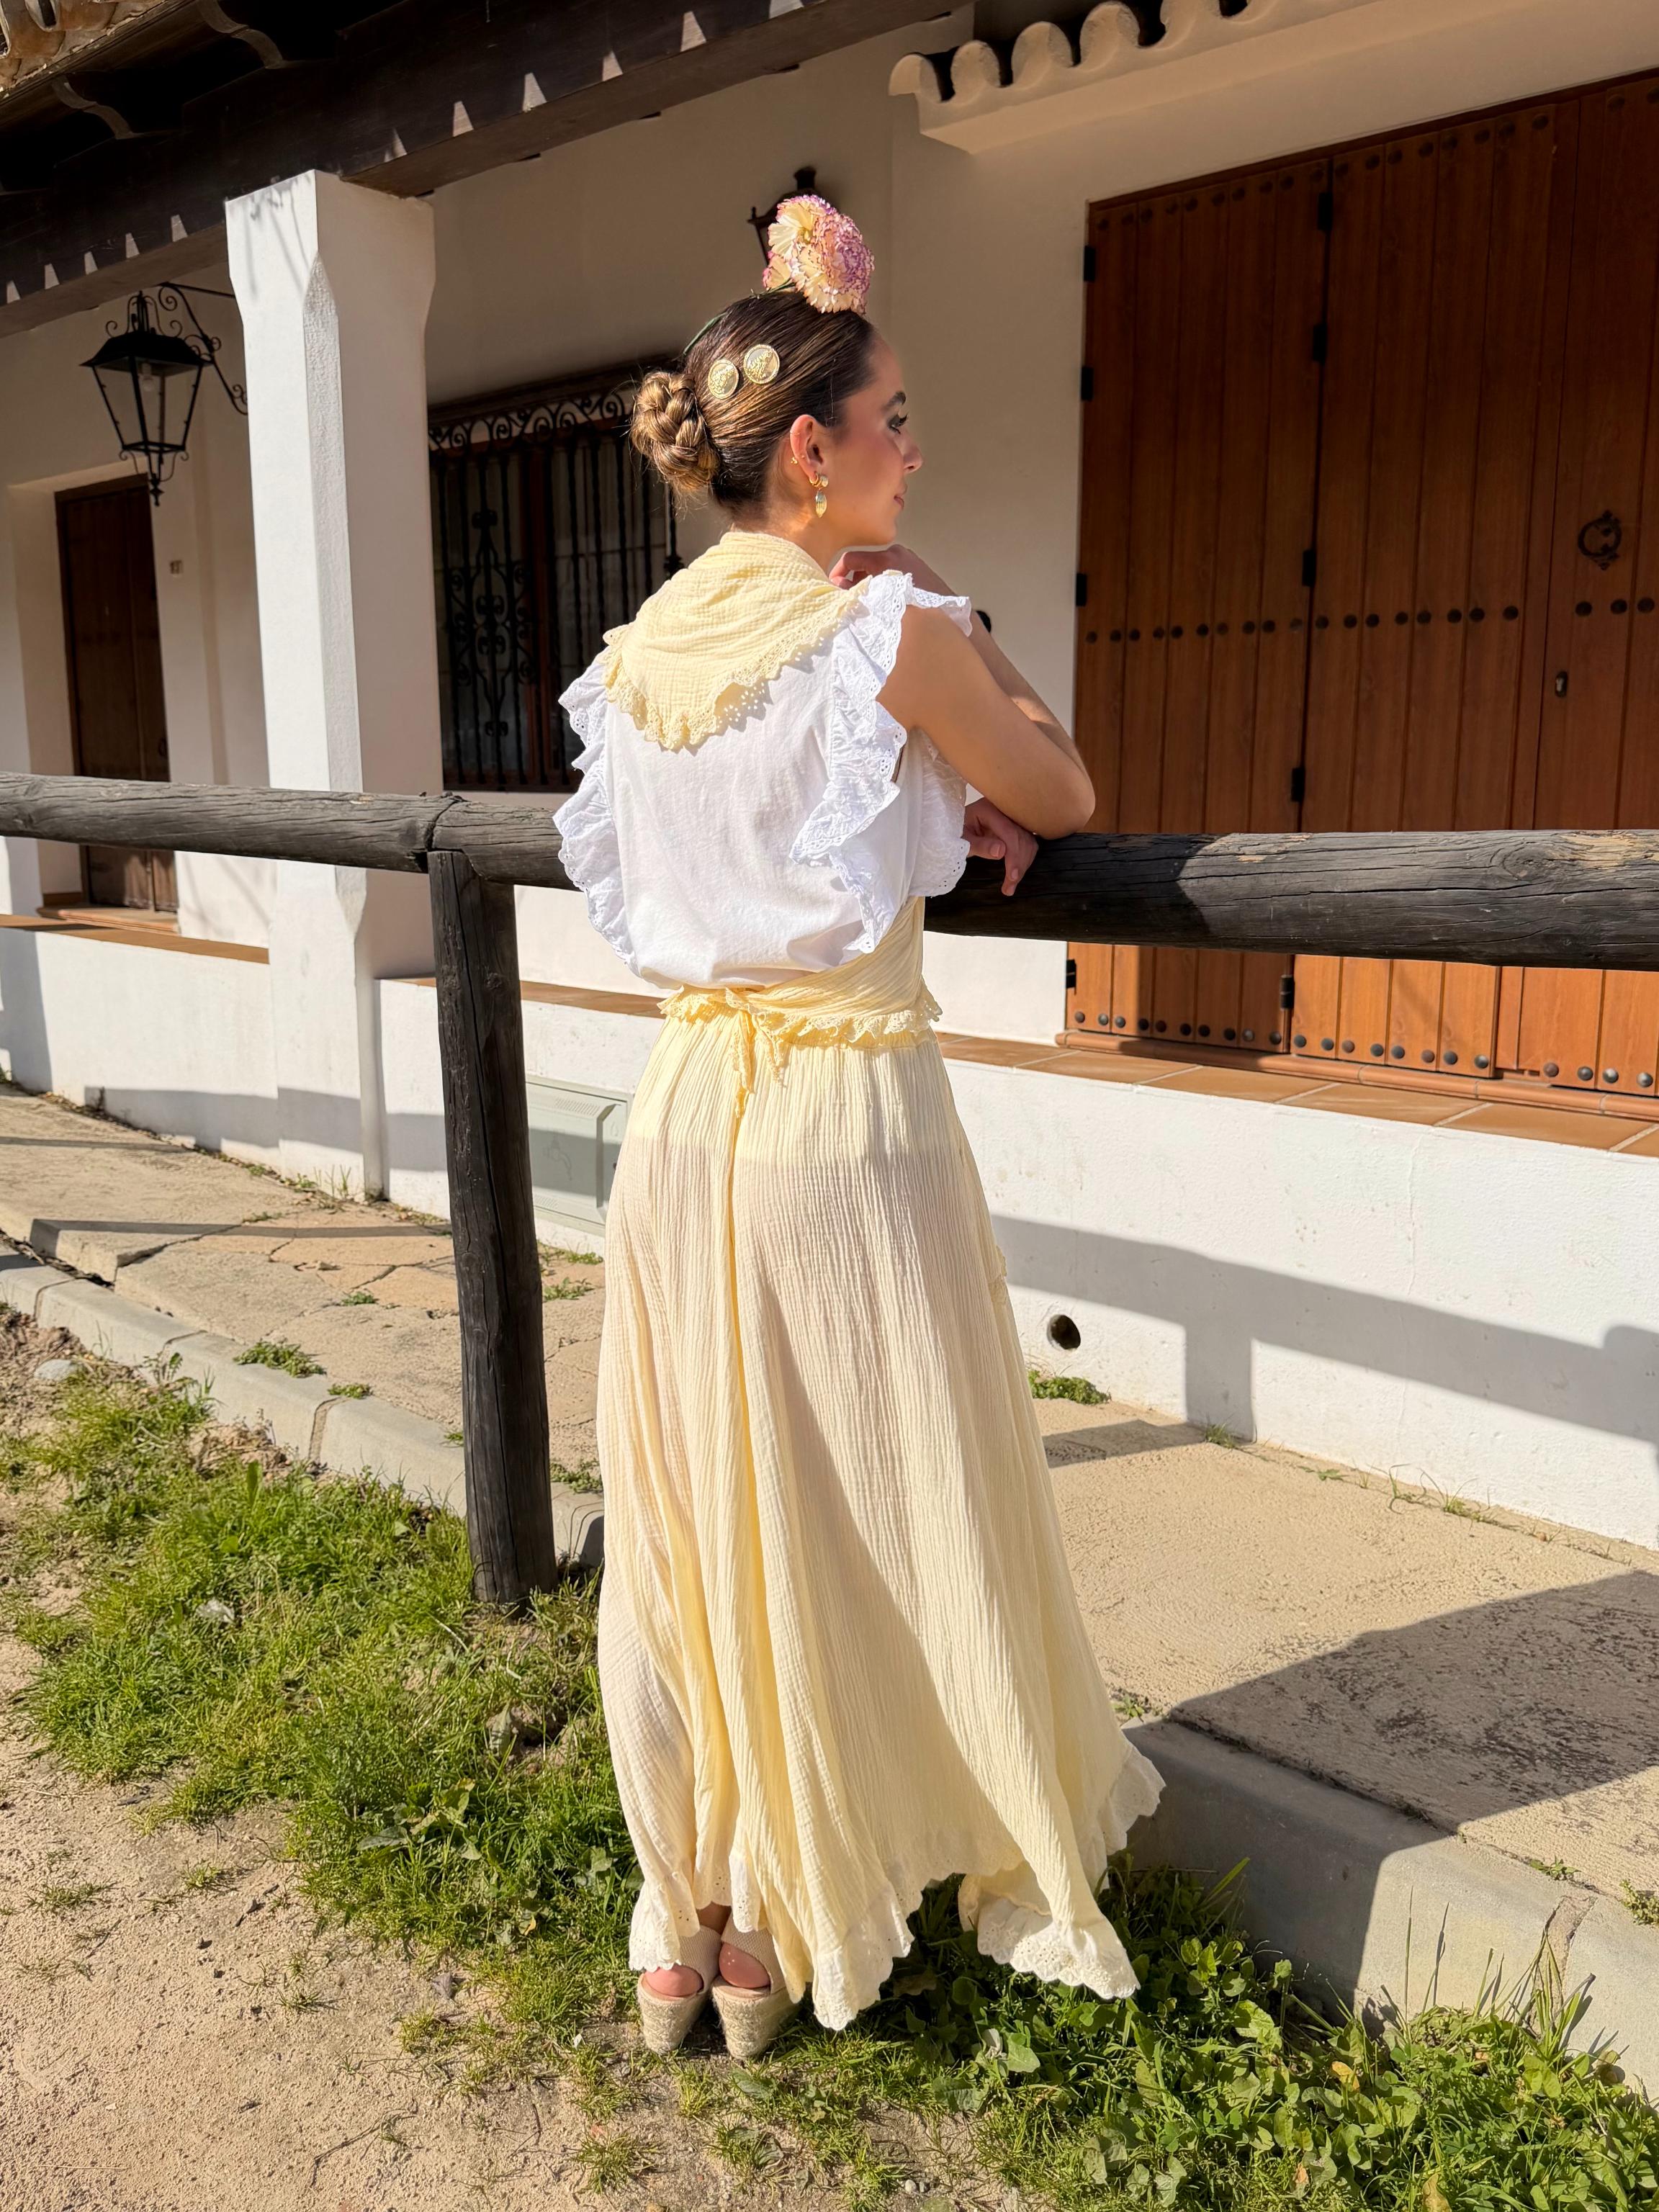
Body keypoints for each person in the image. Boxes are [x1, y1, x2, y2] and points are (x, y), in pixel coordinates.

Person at [556, 194, 1161, 2060]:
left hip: (681, 1128)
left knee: (700, 1516)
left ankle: (702, 1919)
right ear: (808, 454)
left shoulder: (643, 652)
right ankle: (815, 1904)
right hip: (845, 1119)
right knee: (872, 1505)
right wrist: (949, 700)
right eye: (894, 421)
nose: (916, 447)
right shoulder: (883, 624)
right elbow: (1057, 779)